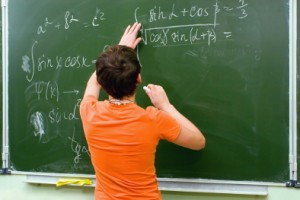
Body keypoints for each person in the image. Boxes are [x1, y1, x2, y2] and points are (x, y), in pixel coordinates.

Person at [80, 22, 205, 200]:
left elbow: (93, 82)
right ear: (138, 78)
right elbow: (198, 141)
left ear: (102, 82)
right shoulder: (153, 118)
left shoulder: (89, 112)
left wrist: (121, 50)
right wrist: (166, 106)